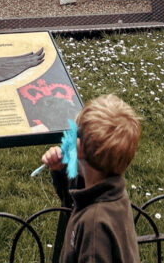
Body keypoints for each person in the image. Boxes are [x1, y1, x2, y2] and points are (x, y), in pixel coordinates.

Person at [41, 94, 141, 263]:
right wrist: (61, 170)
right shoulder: (112, 197)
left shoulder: (94, 226)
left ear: (79, 148)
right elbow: (75, 199)